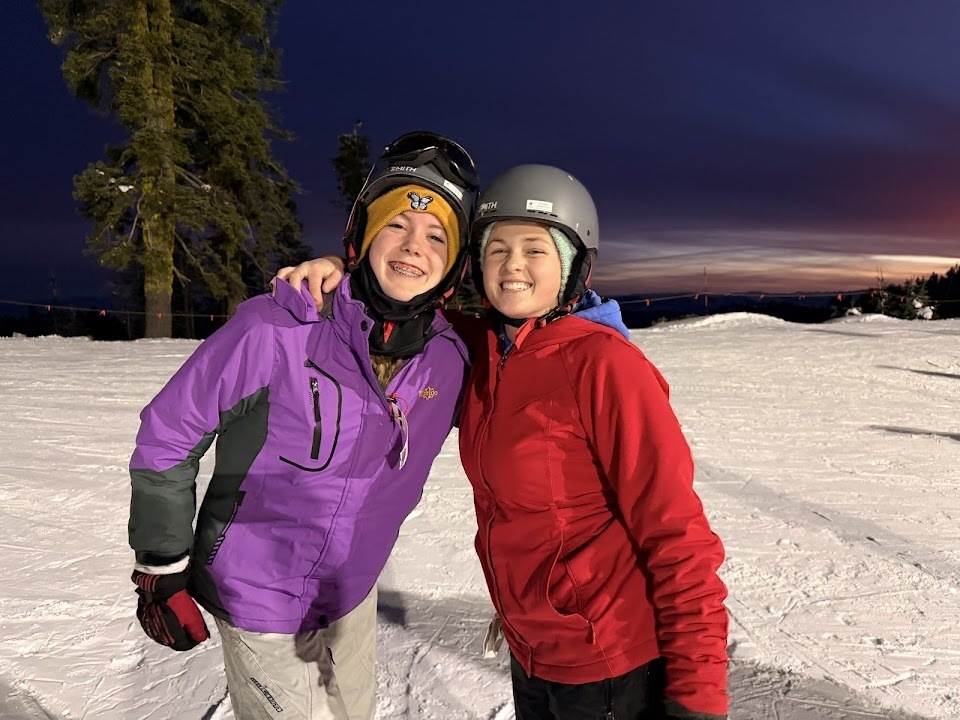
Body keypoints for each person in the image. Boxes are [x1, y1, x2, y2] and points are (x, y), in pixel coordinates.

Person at [278, 165, 729, 719]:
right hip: (531, 651)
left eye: (535, 250)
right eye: (497, 250)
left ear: (572, 267)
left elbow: (677, 533)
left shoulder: (605, 366)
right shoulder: (483, 350)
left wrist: (698, 693)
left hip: (609, 663)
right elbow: (398, 300)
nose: (513, 265)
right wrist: (340, 272)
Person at [127, 130, 479, 720]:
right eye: (396, 223)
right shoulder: (278, 326)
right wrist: (162, 565)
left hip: (351, 595)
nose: (414, 245)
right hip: (260, 596)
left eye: (437, 234)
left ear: (455, 263)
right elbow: (168, 433)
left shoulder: (452, 356)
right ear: (362, 235)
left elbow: (542, 358)